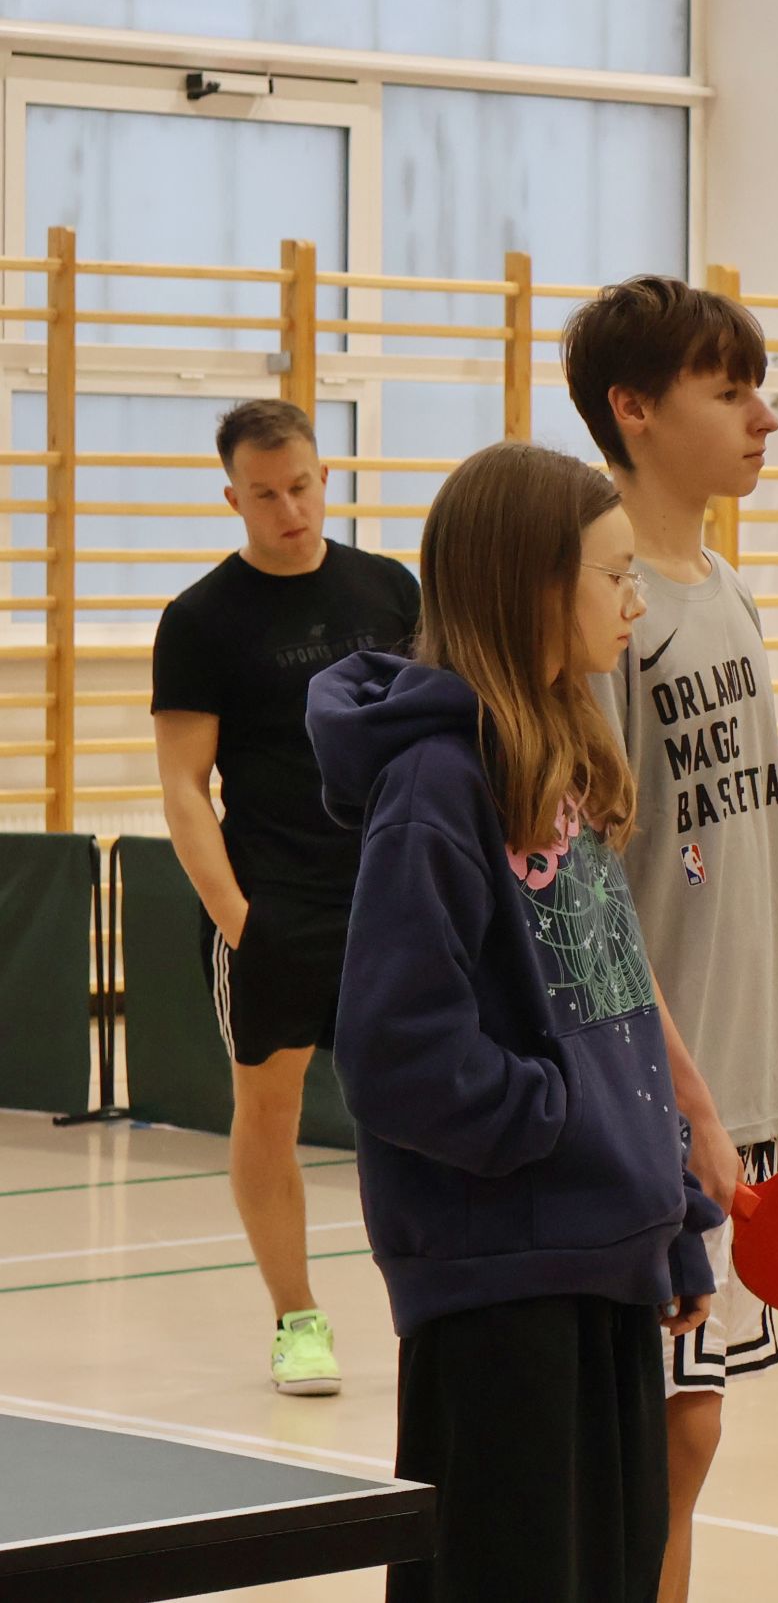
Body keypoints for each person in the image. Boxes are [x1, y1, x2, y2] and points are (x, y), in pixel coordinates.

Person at [308, 441, 721, 1602]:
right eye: (614, 575)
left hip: (603, 1267)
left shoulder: (563, 759)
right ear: (536, 587)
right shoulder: (436, 786)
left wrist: (668, 1218)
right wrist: (558, 1120)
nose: (634, 602)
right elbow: (396, 1052)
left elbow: (615, 1008)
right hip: (501, 1290)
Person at [562, 275, 778, 1602]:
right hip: (652, 1102)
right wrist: (682, 1100)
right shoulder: (607, 613)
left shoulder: (732, 598)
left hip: (740, 1104)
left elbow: (746, 869)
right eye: (731, 391)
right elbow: (590, 895)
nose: (765, 418)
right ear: (635, 410)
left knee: (684, 1436)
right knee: (651, 1443)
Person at [149, 398, 419, 1397]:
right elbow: (184, 788)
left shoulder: (388, 589)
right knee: (269, 1106)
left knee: (419, 1100)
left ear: (324, 474)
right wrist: (240, 921)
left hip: (393, 894)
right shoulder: (200, 620)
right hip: (273, 904)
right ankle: (296, 1316)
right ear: (233, 498)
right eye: (264, 495)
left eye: (301, 486)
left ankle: (433, 1298)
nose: (290, 510)